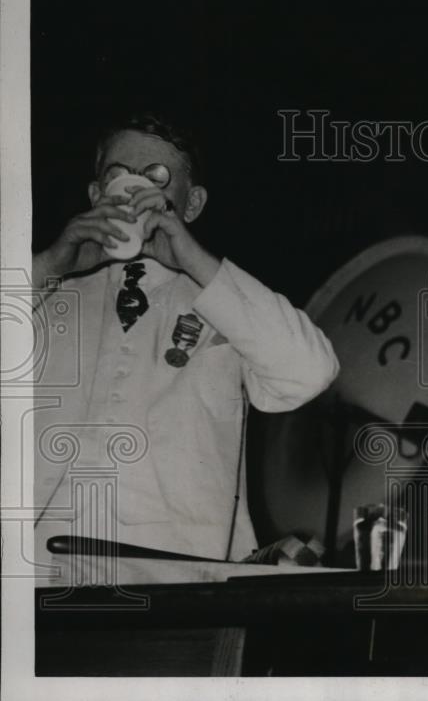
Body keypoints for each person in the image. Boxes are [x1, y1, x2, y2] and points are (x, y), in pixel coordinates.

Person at [32, 112, 339, 567]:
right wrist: (48, 266)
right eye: (117, 175)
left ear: (191, 204)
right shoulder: (46, 294)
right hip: (37, 574)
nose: (133, 189)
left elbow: (310, 371)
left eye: (155, 177)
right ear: (97, 194)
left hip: (174, 581)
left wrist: (192, 257)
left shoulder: (223, 298)